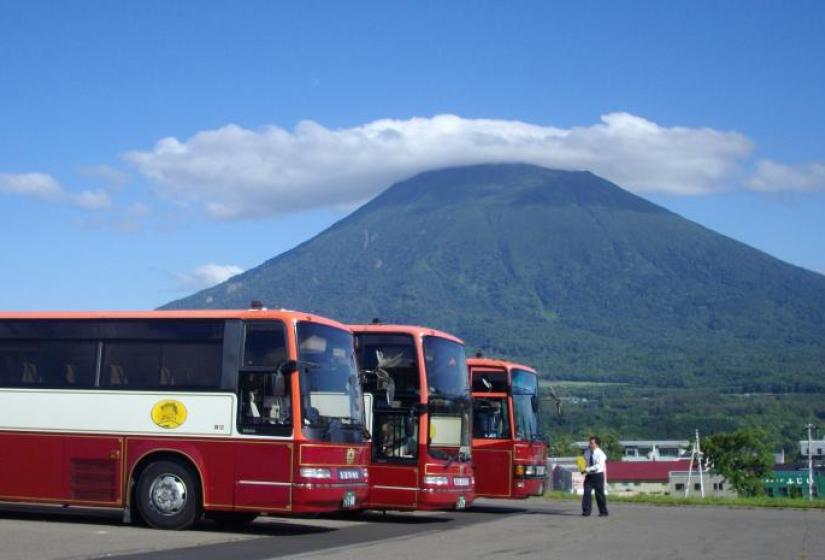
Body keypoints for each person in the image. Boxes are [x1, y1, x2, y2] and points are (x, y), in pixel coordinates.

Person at [581, 436, 608, 517]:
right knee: (586, 493)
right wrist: (582, 467)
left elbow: (598, 466)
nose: (590, 444)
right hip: (589, 476)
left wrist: (588, 469)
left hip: (598, 475)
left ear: (597, 444)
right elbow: (585, 461)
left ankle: (603, 512)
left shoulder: (601, 454)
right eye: (589, 443)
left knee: (599, 494)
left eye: (592, 443)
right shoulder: (587, 452)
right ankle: (586, 511)